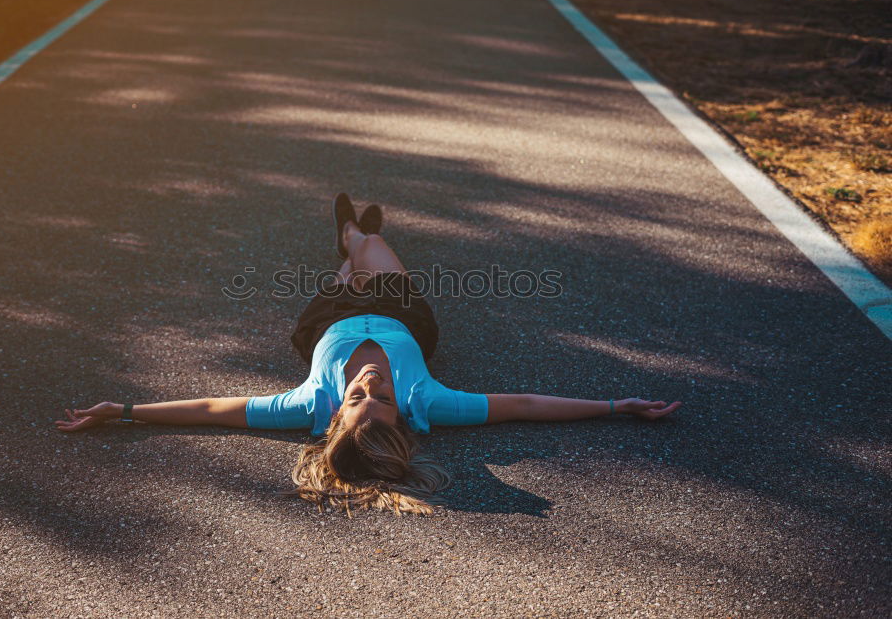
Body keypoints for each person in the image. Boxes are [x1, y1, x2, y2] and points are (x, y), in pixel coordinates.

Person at [55, 193, 682, 516]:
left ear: (335, 416)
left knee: (351, 267)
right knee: (375, 244)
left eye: (362, 399)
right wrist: (613, 403)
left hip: (324, 323)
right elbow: (523, 404)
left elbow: (216, 408)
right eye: (381, 399)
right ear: (401, 418)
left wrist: (129, 410)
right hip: (401, 313)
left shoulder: (307, 403)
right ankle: (356, 235)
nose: (375, 387)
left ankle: (348, 242)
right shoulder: (427, 403)